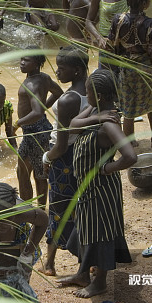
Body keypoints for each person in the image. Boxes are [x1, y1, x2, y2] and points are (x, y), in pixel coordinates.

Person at [57, 69, 137, 298]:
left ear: (99, 95)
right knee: (85, 229)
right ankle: (83, 274)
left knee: (100, 234)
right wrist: (95, 116)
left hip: (100, 189)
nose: (85, 95)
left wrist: (104, 169)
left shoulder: (110, 124)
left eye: (89, 92)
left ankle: (99, 282)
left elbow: (131, 156)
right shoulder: (96, 111)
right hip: (86, 187)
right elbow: (73, 125)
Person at [41, 46, 90, 276]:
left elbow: (60, 145)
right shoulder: (94, 92)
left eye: (62, 68)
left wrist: (46, 157)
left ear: (77, 71)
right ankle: (86, 260)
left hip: (64, 160)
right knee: (81, 208)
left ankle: (49, 262)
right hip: (84, 156)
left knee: (59, 209)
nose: (57, 72)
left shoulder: (68, 99)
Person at [108, 0, 152, 147]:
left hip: (126, 69)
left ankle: (130, 142)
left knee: (128, 107)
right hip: (146, 70)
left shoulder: (118, 20)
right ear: (145, 3)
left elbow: (112, 45)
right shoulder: (151, 24)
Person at [14, 47, 63, 205]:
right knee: (23, 171)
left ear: (36, 64)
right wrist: (43, 108)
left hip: (36, 132)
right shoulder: (44, 77)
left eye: (26, 60)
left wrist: (17, 123)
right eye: (21, 59)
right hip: (36, 130)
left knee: (38, 174)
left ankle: (37, 212)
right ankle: (29, 209)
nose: (21, 63)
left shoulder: (32, 84)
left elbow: (35, 112)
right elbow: (58, 92)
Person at [84, 0, 133, 71]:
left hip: (125, 44)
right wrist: (99, 38)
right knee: (107, 77)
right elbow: (88, 21)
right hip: (107, 44)